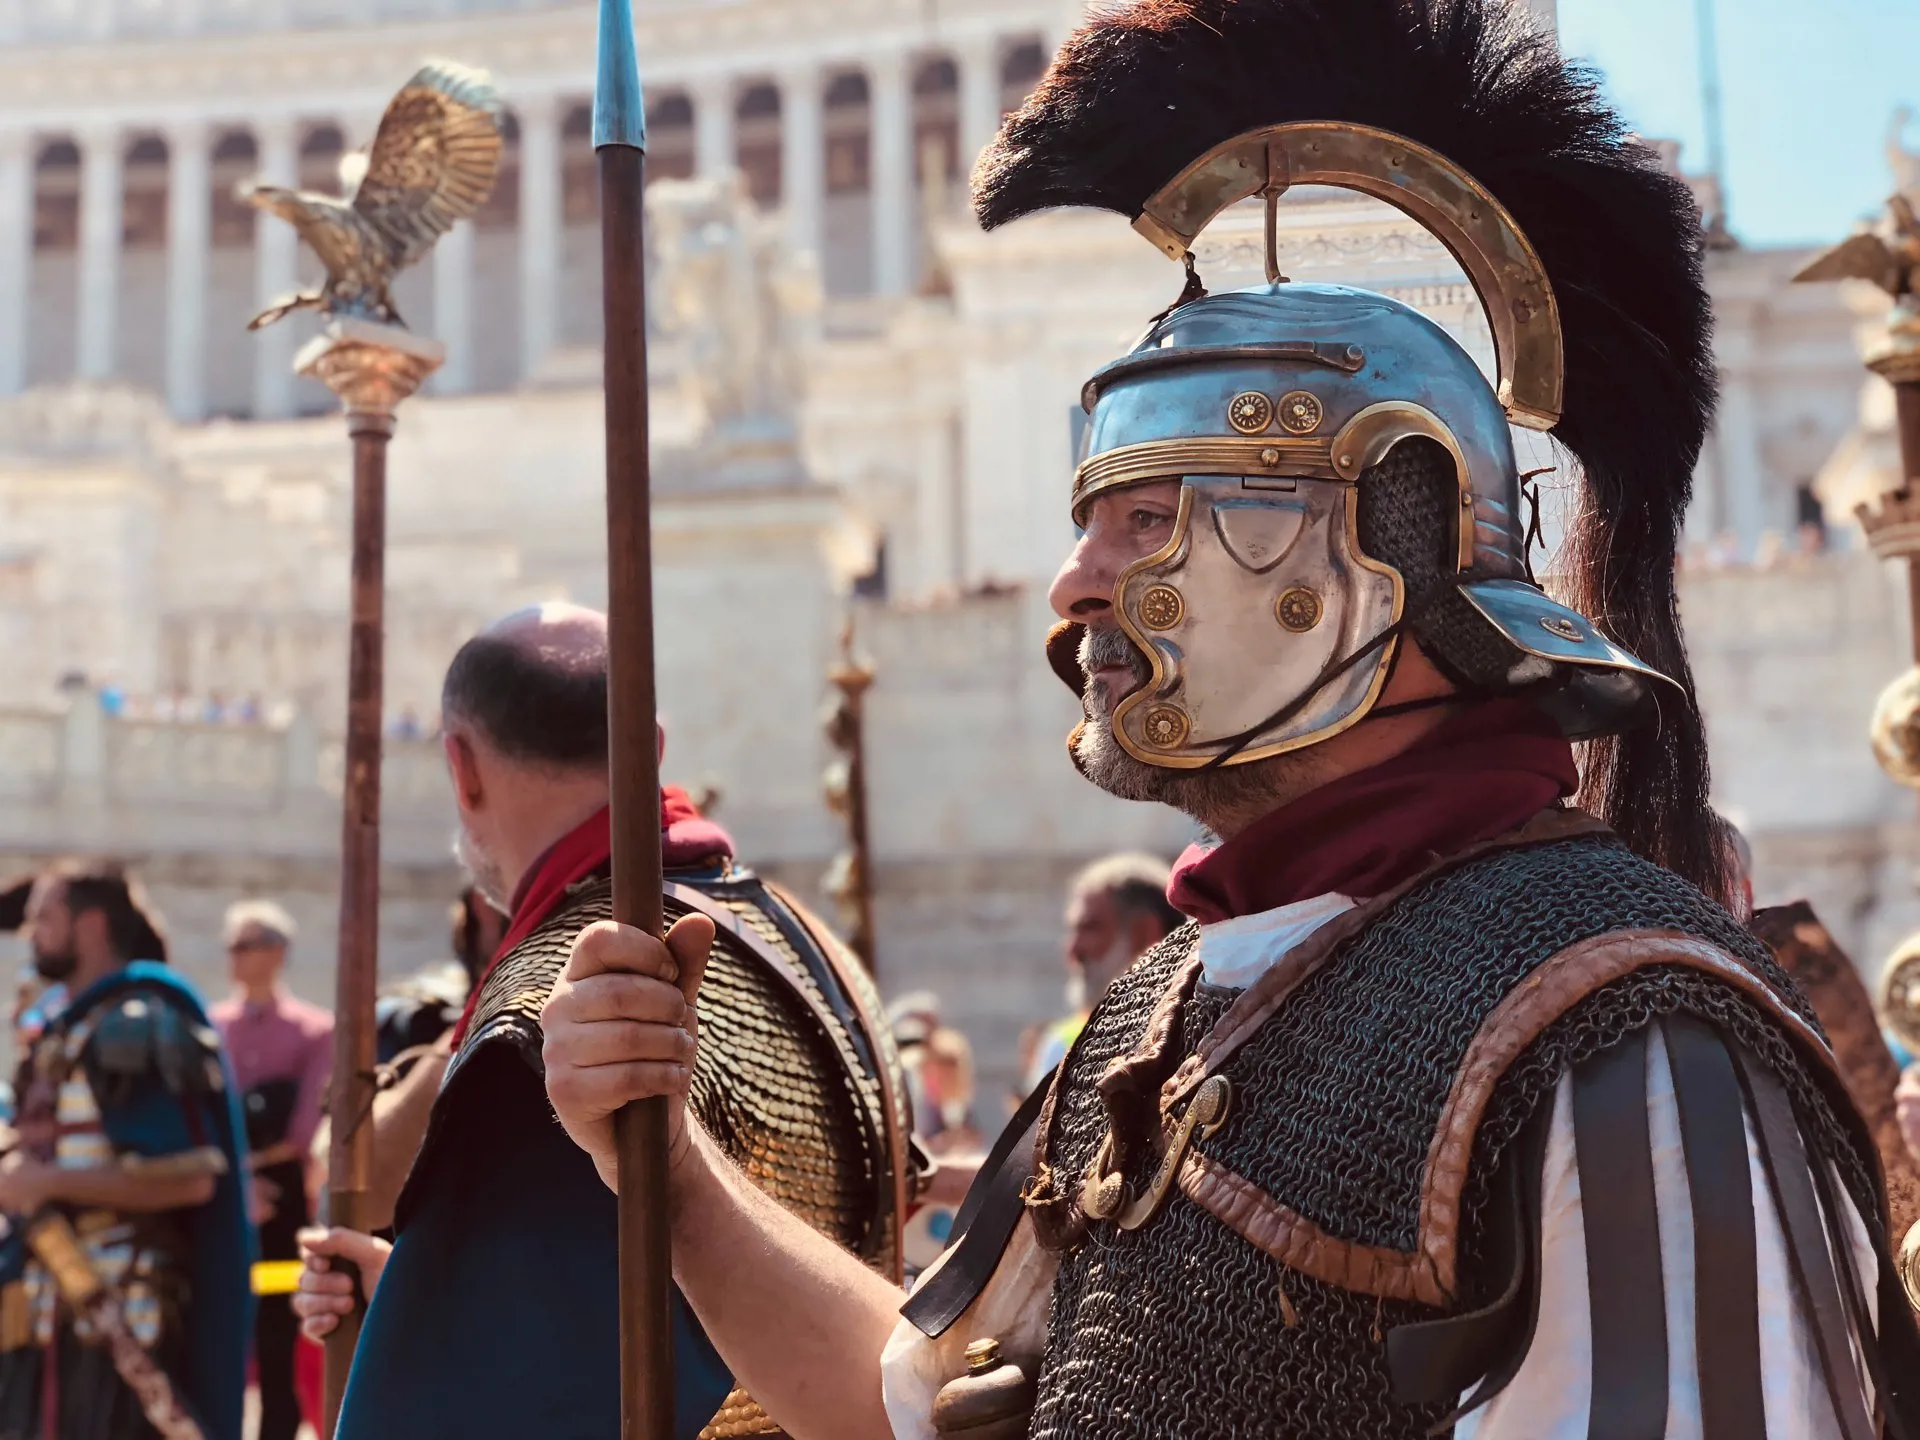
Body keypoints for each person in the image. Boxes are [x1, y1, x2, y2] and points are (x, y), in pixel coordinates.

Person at [539, 3, 1920, 1436]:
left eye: (1149, 520)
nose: (1077, 588)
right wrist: (669, 1167)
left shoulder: (1625, 1041)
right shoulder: (1156, 1022)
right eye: (1088, 525)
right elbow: (920, 1411)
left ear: (1389, 537)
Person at [292, 603, 910, 1440]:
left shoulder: (567, 1001)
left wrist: (412, 1336)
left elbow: (513, 1401)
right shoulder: (806, 940)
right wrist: (415, 1293)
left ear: (461, 770)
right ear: (651, 751)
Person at [0, 860, 252, 1440]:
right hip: (46, 1323)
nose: (30, 931)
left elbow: (187, 1178)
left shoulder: (132, 1024)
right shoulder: (66, 1031)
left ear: (90, 926)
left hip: (117, 1327)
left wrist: (44, 1183)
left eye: (45, 916)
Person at [206, 899, 329, 1440]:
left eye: (245, 945)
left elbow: (303, 1131)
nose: (233, 957)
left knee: (277, 1334)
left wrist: (247, 1174)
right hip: (219, 1191)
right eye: (230, 945)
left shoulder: (313, 1031)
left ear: (276, 953)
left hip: (278, 1204)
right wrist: (238, 1178)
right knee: (215, 1329)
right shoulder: (210, 1027)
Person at [1024, 854, 1181, 1094]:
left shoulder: (1194, 1026)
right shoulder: (1062, 1046)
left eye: (1090, 928)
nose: (1073, 950)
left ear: (1144, 932)